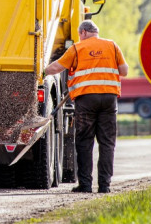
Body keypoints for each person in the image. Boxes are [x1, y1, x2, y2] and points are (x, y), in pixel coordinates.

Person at [43, 19, 128, 193]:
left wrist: (42, 71)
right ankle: (104, 185)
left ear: (83, 32)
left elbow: (56, 67)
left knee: (84, 142)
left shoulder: (77, 48)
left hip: (86, 100)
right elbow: (124, 71)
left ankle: (86, 185)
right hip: (109, 99)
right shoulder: (112, 46)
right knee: (107, 143)